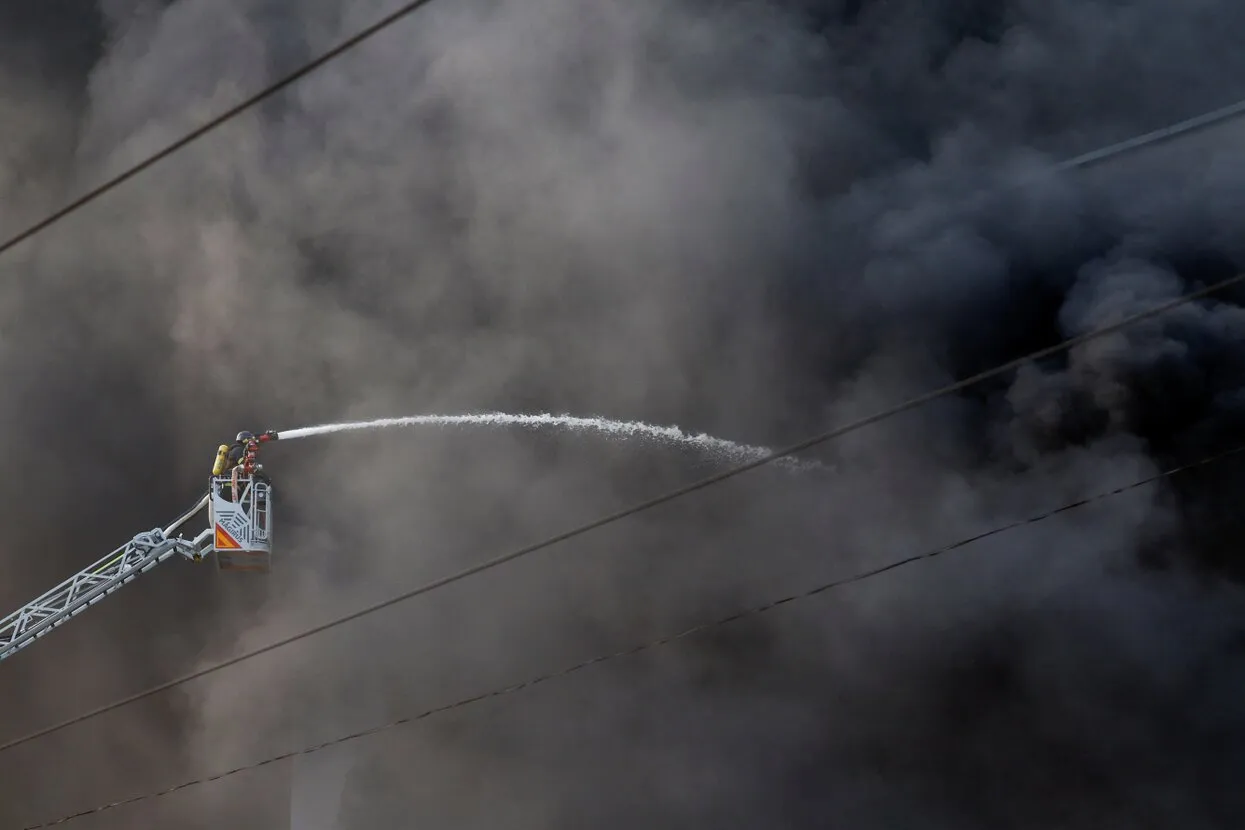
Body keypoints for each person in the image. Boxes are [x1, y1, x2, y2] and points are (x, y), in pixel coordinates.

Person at [212, 430, 279, 501]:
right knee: (258, 480)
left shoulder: (237, 450)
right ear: (245, 440)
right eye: (250, 440)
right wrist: (264, 477)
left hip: (232, 484)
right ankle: (260, 497)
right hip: (230, 485)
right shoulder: (238, 450)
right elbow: (245, 465)